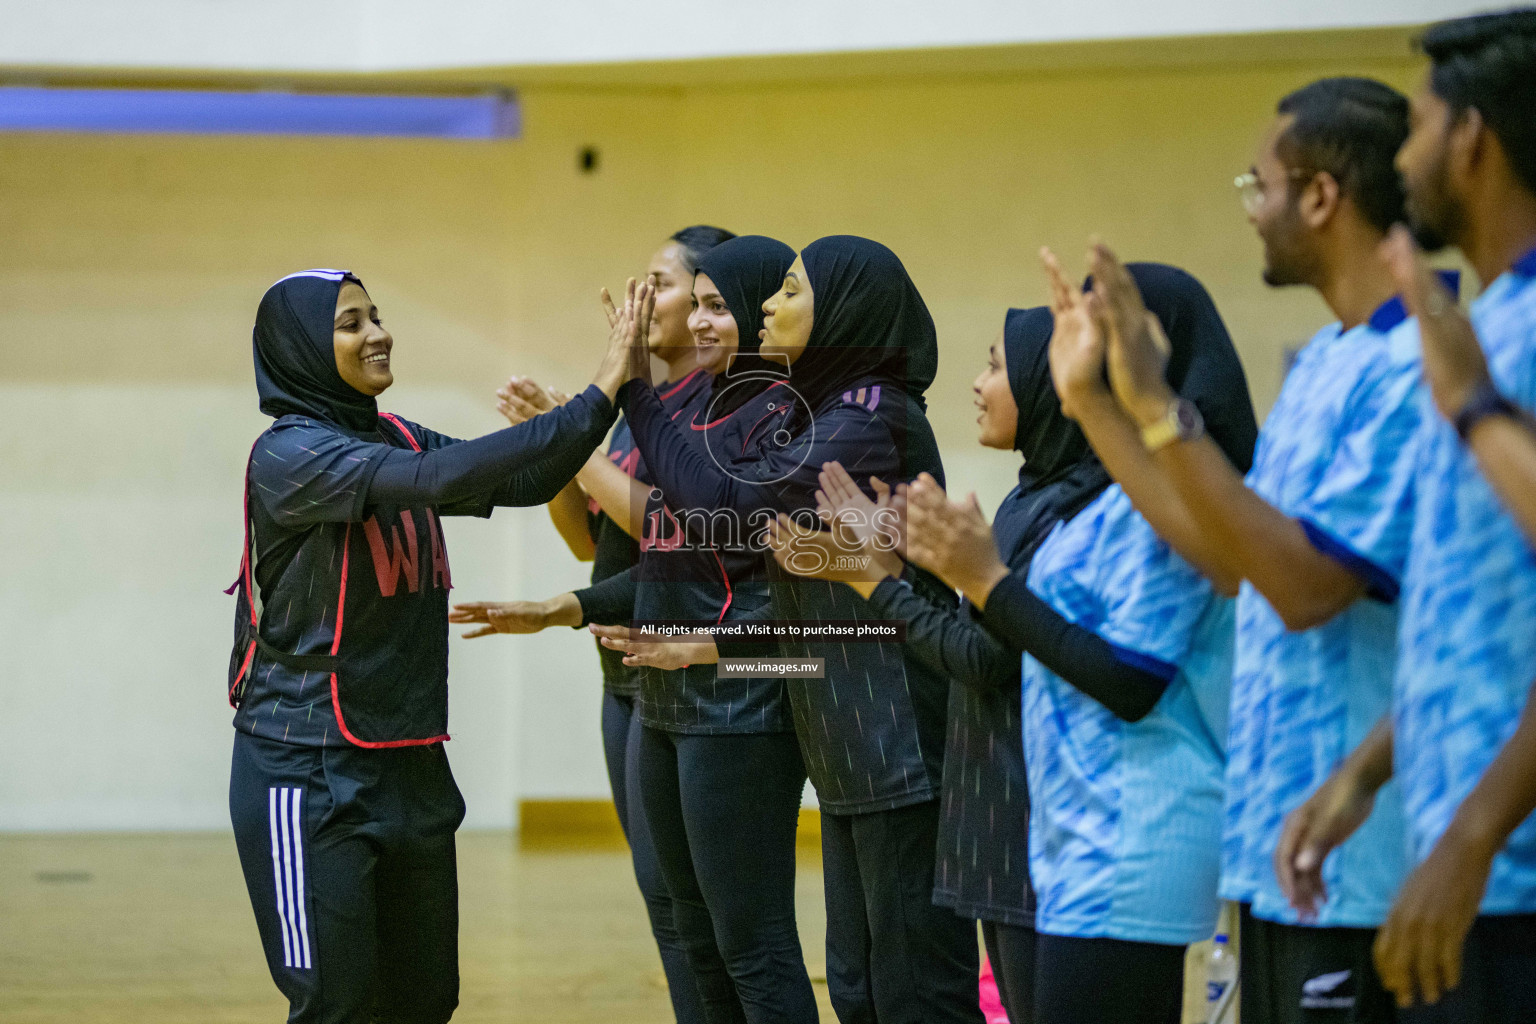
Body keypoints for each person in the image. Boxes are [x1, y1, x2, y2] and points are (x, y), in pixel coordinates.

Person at [1056, 77, 1421, 1024]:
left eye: (1256, 186)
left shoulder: (1410, 366)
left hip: (1369, 854)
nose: (1251, 212)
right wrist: (1102, 406)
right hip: (1282, 845)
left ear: (1320, 195)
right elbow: (1234, 562)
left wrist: (1154, 410)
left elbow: (1303, 591)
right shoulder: (1328, 362)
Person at [225, 268, 634, 1022]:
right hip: (306, 764)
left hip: (409, 759)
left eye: (376, 315)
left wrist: (591, 407)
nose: (378, 332)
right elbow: (443, 474)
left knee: (423, 1000)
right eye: (351, 323)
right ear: (304, 347)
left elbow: (528, 475)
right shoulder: (290, 454)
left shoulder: (397, 436)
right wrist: (601, 388)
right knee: (338, 1004)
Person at [605, 237, 983, 1024]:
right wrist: (714, 644)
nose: (771, 305)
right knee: (857, 988)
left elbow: (730, 516)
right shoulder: (828, 413)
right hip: (849, 734)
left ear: (843, 311)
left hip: (898, 738)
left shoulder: (868, 417)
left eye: (791, 290)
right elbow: (805, 600)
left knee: (914, 992)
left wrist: (633, 392)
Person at [894, 263, 1256, 1024]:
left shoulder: (1163, 499)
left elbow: (1131, 682)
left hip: (1136, 832)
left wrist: (983, 581)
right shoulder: (1101, 499)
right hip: (1075, 831)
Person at [1281, 12, 1536, 1020]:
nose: (1405, 159)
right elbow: (1480, 615)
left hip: (1505, 867)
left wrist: (1474, 834)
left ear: (1471, 139)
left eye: (1420, 127)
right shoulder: (1480, 322)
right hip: (1460, 852)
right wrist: (1368, 769)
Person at [467, 225, 734, 1024]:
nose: (640, 295)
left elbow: (673, 524)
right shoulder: (639, 410)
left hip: (696, 672)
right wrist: (553, 451)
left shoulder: (721, 409)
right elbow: (592, 539)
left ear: (709, 303)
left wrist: (571, 436)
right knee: (663, 900)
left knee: (712, 915)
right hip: (620, 673)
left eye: (660, 279)